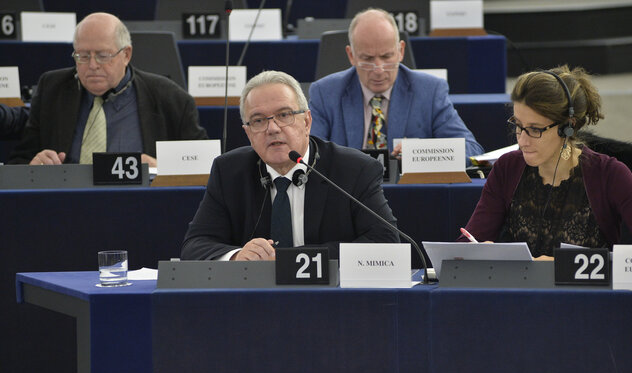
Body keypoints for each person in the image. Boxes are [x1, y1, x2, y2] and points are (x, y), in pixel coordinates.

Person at [181, 70, 399, 261]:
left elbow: (386, 242)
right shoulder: (228, 172)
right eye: (258, 120)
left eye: (284, 115)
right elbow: (195, 246)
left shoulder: (354, 170)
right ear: (248, 133)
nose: (273, 128)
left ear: (306, 122)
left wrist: (296, 259)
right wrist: (237, 256)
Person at [461, 65, 632, 257]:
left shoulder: (610, 174)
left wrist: (567, 266)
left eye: (535, 129)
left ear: (567, 127)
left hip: (588, 294)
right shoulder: (507, 168)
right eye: (518, 125)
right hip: (520, 293)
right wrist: (476, 251)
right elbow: (468, 242)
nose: (522, 141)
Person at [8, 12, 206, 166]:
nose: (92, 65)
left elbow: (202, 166)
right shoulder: (52, 89)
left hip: (143, 206)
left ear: (126, 54)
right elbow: (20, 161)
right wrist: (34, 164)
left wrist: (162, 169)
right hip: (66, 206)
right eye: (83, 56)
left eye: (103, 55)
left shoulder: (171, 98)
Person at [308, 8, 484, 163]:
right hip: (348, 195)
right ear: (351, 55)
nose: (378, 69)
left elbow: (471, 150)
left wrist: (420, 153)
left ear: (401, 51)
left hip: (409, 194)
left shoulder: (430, 91)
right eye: (368, 59)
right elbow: (309, 154)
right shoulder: (325, 94)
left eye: (386, 57)